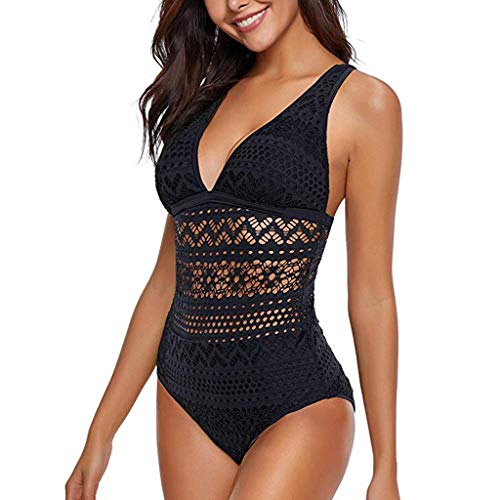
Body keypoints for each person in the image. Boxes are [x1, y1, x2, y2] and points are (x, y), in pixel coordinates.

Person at [66, 0, 402, 498]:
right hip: (184, 397)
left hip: (295, 398)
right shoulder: (204, 101)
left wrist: (385, 467)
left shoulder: (362, 103)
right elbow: (166, 284)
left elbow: (372, 296)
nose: (234, 3)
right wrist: (101, 433)